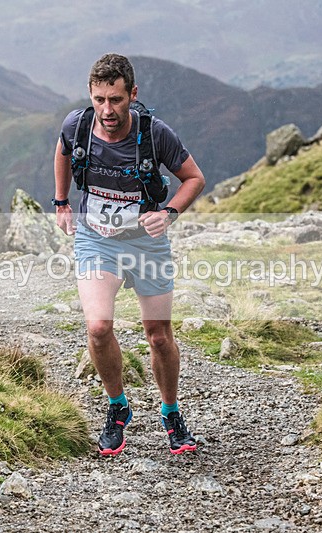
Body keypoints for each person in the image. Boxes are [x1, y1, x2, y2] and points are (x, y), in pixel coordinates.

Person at [53, 53, 206, 456]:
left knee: (158, 336)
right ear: (91, 95)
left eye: (116, 100)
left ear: (132, 95)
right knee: (99, 327)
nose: (107, 110)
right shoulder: (78, 124)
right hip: (96, 239)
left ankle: (171, 413)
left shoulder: (156, 134)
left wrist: (170, 212)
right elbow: (63, 150)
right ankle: (117, 407)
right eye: (100, 99)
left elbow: (194, 178)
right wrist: (61, 201)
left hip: (146, 243)